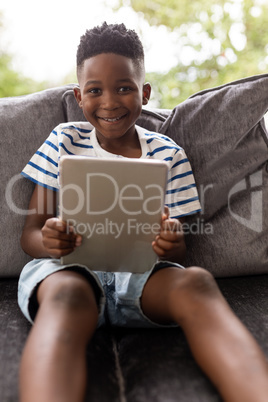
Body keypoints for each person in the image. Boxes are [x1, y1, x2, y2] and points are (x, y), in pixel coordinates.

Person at [18, 22, 268, 402]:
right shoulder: (63, 140)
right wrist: (50, 240)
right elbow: (31, 233)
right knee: (68, 295)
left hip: (143, 278)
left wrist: (170, 242)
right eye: (95, 91)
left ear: (145, 93)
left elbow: (178, 251)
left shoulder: (168, 154)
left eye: (124, 88)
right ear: (79, 97)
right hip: (68, 269)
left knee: (197, 281)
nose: (110, 102)